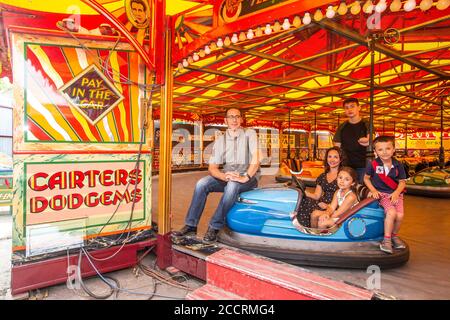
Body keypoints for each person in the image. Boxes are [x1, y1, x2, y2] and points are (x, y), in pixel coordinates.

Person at [173, 108, 260, 243]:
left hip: (249, 178)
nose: (234, 120)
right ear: (225, 120)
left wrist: (245, 177)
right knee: (202, 184)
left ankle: (215, 226)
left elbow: (256, 158)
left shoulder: (250, 134)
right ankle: (191, 225)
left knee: (232, 186)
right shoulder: (221, 140)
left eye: (237, 117)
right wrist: (223, 176)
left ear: (242, 119)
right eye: (231, 117)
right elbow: (212, 168)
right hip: (228, 176)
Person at [364, 136, 407, 254]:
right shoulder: (372, 164)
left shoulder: (398, 165)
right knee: (391, 213)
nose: (384, 152)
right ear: (375, 151)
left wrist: (397, 193)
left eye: (388, 149)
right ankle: (386, 240)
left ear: (393, 149)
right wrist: (373, 190)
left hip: (396, 193)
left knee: (400, 216)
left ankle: (394, 235)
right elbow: (366, 178)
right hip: (382, 194)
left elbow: (402, 182)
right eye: (380, 150)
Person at [291, 146, 344, 228]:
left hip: (334, 206)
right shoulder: (322, 176)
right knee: (303, 202)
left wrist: (328, 206)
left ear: (340, 159)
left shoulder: (342, 176)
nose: (332, 160)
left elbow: (344, 196)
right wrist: (303, 192)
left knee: (308, 208)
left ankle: (310, 231)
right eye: (329, 157)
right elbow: (316, 196)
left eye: (335, 157)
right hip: (321, 203)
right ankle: (302, 228)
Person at [333, 98, 370, 184]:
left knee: (361, 189)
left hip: (363, 165)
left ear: (359, 107)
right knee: (347, 188)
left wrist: (367, 141)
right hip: (347, 165)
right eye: (346, 108)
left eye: (352, 106)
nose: (349, 110)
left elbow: (371, 140)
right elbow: (336, 147)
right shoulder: (342, 127)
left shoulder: (366, 124)